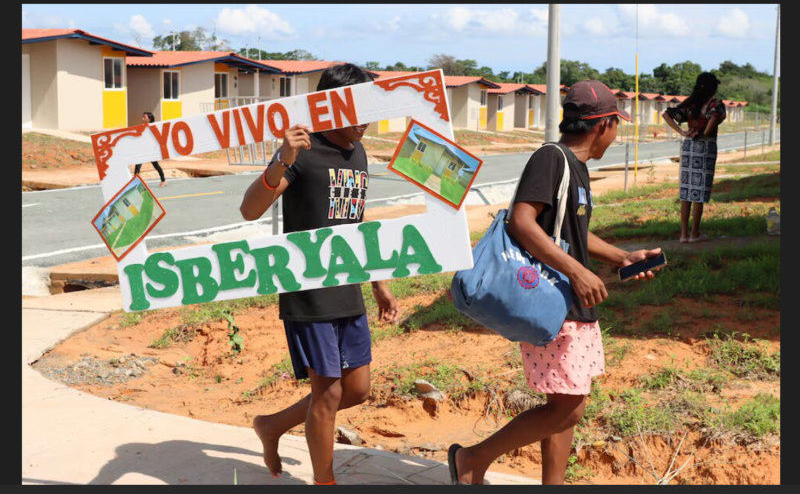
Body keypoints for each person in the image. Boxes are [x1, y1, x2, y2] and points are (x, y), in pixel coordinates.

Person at [447, 81, 661, 485]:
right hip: (555, 297)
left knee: (565, 404)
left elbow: (573, 232)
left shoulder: (575, 168)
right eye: (617, 125)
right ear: (603, 124)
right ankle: (472, 460)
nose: (616, 136)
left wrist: (622, 257)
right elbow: (521, 221)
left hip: (572, 300)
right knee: (568, 409)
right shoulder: (551, 158)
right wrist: (579, 272)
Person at [239, 63, 399, 486]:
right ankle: (324, 482)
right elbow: (250, 208)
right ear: (330, 106)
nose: (366, 120)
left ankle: (272, 425)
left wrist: (379, 281)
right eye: (358, 109)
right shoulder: (302, 151)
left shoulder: (358, 152)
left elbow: (357, 223)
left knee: (357, 389)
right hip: (308, 288)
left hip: (348, 284)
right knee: (327, 394)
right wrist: (280, 159)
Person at [663, 72, 726, 244]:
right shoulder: (715, 103)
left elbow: (666, 114)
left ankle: (683, 234)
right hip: (705, 147)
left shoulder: (690, 104)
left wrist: (682, 132)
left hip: (689, 146)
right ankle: (694, 234)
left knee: (687, 191)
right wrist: (705, 133)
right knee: (699, 192)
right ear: (713, 87)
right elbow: (714, 116)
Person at [134, 112, 167, 187]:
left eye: (144, 117)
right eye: (142, 117)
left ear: (150, 119)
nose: (142, 118)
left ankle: (163, 180)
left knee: (156, 165)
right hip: (143, 149)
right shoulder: (142, 126)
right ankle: (135, 183)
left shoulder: (154, 126)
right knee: (137, 166)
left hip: (151, 150)